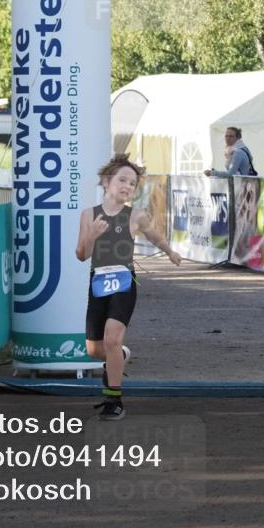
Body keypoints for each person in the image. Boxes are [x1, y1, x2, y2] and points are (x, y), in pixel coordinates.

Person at [76, 154, 181, 420]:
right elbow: (81, 254)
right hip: (98, 282)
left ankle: (114, 400)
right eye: (122, 180)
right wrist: (92, 235)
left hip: (124, 282)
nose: (127, 187)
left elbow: (154, 235)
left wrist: (170, 251)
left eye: (132, 184)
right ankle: (120, 356)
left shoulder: (135, 216)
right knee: (95, 350)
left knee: (112, 338)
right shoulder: (89, 215)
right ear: (106, 182)